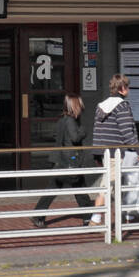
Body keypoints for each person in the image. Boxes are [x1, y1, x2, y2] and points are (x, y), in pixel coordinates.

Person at [31, 95, 94, 227]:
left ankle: (38, 215)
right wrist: (83, 130)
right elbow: (75, 138)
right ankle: (89, 217)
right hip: (70, 162)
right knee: (79, 188)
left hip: (61, 161)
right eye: (80, 107)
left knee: (55, 189)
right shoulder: (70, 121)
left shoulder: (62, 121)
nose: (81, 110)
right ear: (75, 107)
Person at [88, 74, 139, 225]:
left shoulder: (101, 106)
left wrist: (98, 154)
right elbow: (127, 132)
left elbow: (97, 131)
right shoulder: (122, 106)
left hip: (105, 152)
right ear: (122, 88)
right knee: (109, 184)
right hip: (118, 153)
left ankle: (127, 214)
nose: (129, 89)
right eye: (127, 86)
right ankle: (96, 217)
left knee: (120, 183)